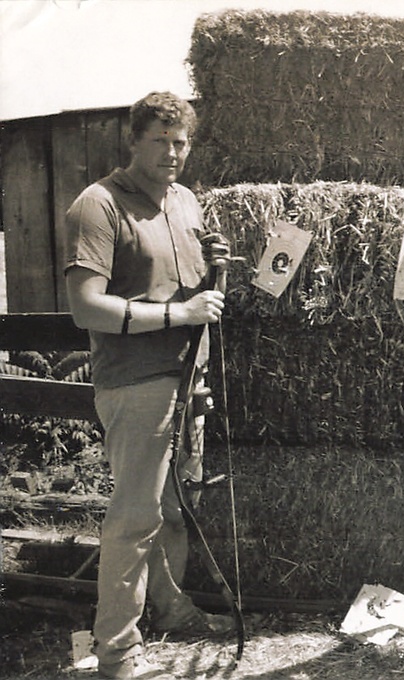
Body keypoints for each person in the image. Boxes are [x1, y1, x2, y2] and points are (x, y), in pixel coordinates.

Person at [65, 92, 234, 680]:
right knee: (135, 517)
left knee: (174, 510)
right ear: (133, 140)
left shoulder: (185, 201)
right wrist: (178, 316)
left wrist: (212, 259)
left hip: (188, 377)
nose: (172, 151)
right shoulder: (100, 204)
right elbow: (87, 308)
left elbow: (181, 278)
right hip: (136, 381)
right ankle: (117, 650)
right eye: (159, 139)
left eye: (181, 141)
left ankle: (172, 609)